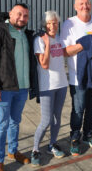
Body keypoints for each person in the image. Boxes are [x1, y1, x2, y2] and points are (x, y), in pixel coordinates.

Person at [0, 3, 38, 171]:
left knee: (15, 122)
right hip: (4, 88)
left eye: (26, 16)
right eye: (19, 14)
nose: (22, 18)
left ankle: (13, 151)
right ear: (11, 14)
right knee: (2, 124)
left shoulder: (26, 34)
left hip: (22, 88)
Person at [60, 0, 92, 156]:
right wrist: (83, 44)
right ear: (75, 6)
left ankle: (88, 134)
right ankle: (75, 136)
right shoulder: (69, 24)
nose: (85, 6)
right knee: (78, 109)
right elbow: (64, 51)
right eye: (81, 4)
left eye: (87, 3)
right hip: (78, 77)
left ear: (91, 5)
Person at [30, 11, 68, 167]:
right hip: (47, 86)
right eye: (49, 23)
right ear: (44, 25)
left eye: (55, 22)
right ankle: (35, 150)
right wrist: (47, 45)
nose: (52, 26)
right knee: (46, 120)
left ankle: (52, 145)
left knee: (57, 118)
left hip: (62, 84)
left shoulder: (59, 38)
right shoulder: (39, 40)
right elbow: (44, 64)